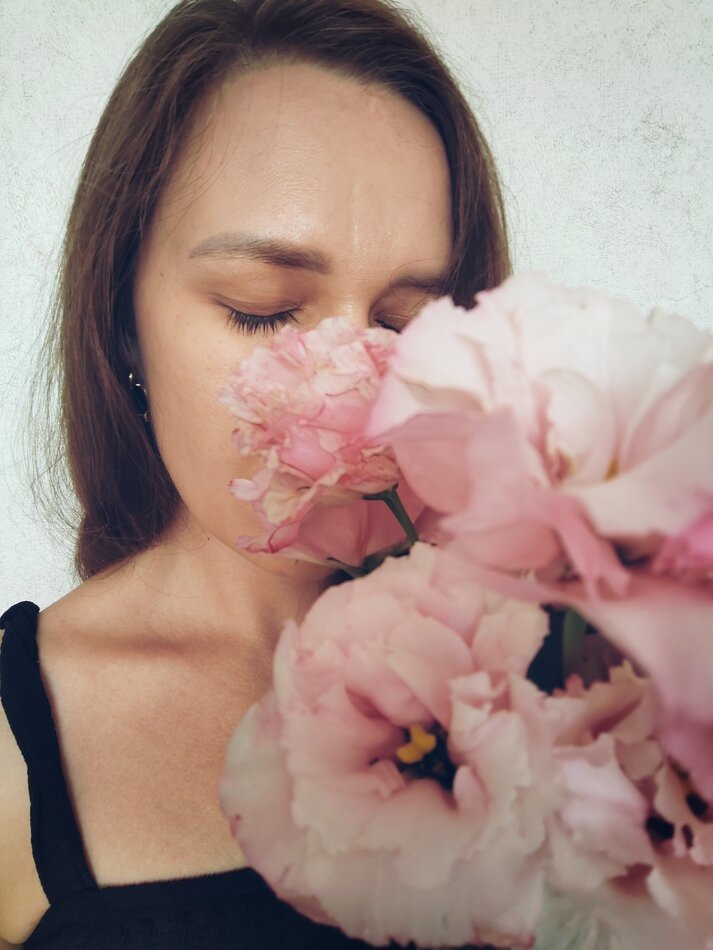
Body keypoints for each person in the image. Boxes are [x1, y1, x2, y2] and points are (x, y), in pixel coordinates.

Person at [0, 0, 511, 946]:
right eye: (263, 309)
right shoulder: (14, 742)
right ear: (120, 319)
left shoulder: (534, 669)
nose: (355, 391)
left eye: (403, 324)